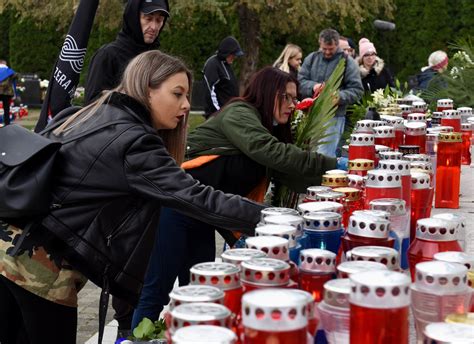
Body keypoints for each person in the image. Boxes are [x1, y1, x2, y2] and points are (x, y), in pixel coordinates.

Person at [0, 51, 264, 344]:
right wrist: (268, 218)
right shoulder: (135, 140)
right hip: (38, 270)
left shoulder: (93, 111)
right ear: (146, 89)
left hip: (7, 248)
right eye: (177, 94)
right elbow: (196, 197)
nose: (187, 105)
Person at [132, 66, 348, 328]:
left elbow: (289, 174)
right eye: (287, 97)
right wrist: (335, 165)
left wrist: (338, 182)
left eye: (295, 98)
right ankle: (136, 335)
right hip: (175, 208)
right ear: (269, 92)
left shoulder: (267, 129)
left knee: (200, 294)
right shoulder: (240, 113)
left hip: (203, 215)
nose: (293, 105)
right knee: (156, 290)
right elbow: (272, 153)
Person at [84, 0, 170, 103]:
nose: (154, 27)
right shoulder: (108, 55)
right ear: (133, 18)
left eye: (159, 20)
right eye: (148, 19)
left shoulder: (159, 61)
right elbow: (92, 103)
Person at [298, 28, 363, 157]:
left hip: (334, 116)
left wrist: (339, 97)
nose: (327, 52)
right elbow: (300, 81)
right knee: (310, 155)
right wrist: (313, 87)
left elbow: (357, 90)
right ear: (319, 44)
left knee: (325, 156)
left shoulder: (347, 62)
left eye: (331, 49)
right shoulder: (311, 59)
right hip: (310, 115)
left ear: (337, 45)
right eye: (324, 49)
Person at [202, 36, 243, 119]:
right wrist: (218, 113)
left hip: (229, 113)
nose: (234, 57)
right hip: (218, 116)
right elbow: (210, 90)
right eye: (233, 55)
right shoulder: (213, 64)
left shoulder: (226, 64)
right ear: (227, 53)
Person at [0, 59, 18, 126]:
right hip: (7, 93)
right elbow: (16, 76)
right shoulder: (9, 71)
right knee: (6, 109)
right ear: (5, 63)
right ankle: (7, 123)